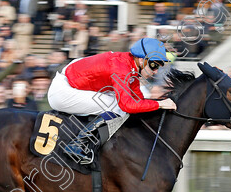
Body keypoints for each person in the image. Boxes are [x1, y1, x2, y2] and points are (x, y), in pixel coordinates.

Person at [46, 37, 176, 164]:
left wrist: (158, 105)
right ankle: (77, 145)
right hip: (62, 91)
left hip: (74, 79)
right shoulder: (121, 68)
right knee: (118, 106)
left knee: (121, 102)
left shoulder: (131, 66)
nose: (156, 71)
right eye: (154, 65)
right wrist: (159, 104)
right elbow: (127, 105)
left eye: (159, 66)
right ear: (142, 60)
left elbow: (138, 99)